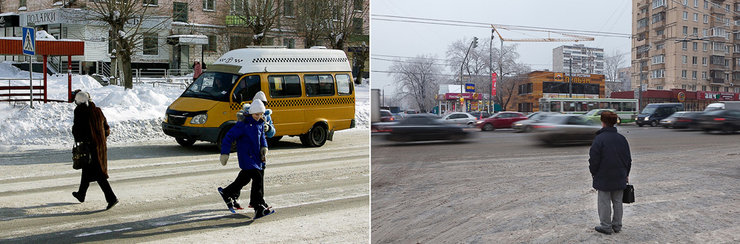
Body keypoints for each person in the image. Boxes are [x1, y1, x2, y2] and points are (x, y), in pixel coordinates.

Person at [218, 99, 273, 218]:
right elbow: (229, 137)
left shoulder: (260, 123)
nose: (259, 117)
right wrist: (225, 153)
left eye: (261, 114)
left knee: (245, 178)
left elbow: (262, 137)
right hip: (246, 157)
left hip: (256, 157)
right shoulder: (243, 125)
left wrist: (264, 147)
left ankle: (227, 192)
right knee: (257, 177)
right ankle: (258, 206)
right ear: (251, 113)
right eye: (256, 114)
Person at [71, 90, 118, 210]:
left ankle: (111, 198)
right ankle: (81, 194)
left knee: (99, 174)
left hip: (89, 147)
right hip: (100, 146)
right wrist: (101, 138)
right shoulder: (98, 110)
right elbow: (106, 129)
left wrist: (80, 139)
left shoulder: (80, 111)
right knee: (87, 170)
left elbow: (77, 131)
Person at [589, 111, 631, 235]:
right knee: (618, 201)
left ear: (603, 122)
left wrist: (594, 172)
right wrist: (626, 173)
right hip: (620, 175)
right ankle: (617, 225)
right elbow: (628, 159)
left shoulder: (599, 139)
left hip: (604, 176)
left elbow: (594, 159)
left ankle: (606, 226)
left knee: (604, 202)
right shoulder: (622, 139)